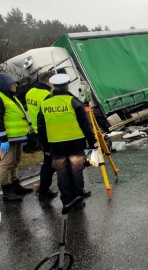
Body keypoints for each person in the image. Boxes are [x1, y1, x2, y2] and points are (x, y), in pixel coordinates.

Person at [37, 73, 97, 210]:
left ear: (53, 86)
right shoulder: (74, 102)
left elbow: (41, 127)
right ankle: (78, 198)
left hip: (55, 144)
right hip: (75, 142)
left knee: (62, 172)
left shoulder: (45, 104)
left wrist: (44, 146)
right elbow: (85, 125)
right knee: (76, 171)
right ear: (67, 86)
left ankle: (67, 200)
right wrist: (92, 142)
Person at [0, 72, 34, 202]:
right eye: (13, 83)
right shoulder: (1, 98)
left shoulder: (11, 97)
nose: (15, 85)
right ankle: (7, 191)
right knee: (6, 164)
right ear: (4, 84)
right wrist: (3, 139)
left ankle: (15, 185)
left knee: (15, 161)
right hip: (7, 138)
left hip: (17, 137)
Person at [25, 71, 58, 201]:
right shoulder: (46, 95)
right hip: (49, 131)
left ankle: (43, 189)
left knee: (48, 162)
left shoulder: (30, 92)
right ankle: (44, 190)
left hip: (39, 131)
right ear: (49, 81)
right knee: (51, 163)